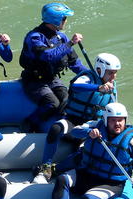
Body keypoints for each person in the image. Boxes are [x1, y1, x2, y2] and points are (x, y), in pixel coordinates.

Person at [33, 53, 121, 182]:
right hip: (74, 120)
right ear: (99, 70)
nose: (113, 76)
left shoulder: (112, 87)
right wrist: (98, 87)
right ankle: (46, 166)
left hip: (92, 126)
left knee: (85, 153)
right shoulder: (87, 77)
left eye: (115, 73)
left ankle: (55, 170)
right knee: (56, 129)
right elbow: (76, 86)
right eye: (110, 73)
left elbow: (113, 111)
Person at [51, 102, 133, 199]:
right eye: (113, 120)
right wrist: (89, 132)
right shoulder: (94, 125)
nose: (117, 124)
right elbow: (75, 131)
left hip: (111, 184)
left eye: (120, 120)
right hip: (86, 174)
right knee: (61, 179)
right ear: (106, 120)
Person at [19, 2, 85, 132]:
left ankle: (61, 127)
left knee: (67, 99)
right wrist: (70, 43)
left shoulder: (61, 37)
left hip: (51, 79)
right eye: (64, 18)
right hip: (34, 81)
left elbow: (74, 63)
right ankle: (29, 123)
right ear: (55, 20)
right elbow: (48, 56)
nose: (65, 21)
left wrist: (92, 75)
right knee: (52, 103)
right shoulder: (34, 38)